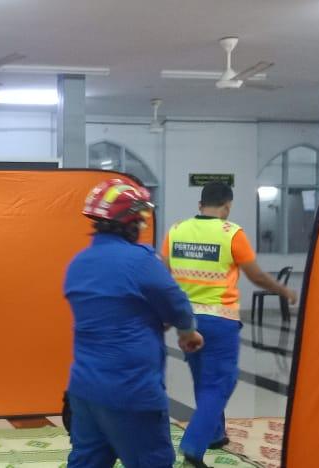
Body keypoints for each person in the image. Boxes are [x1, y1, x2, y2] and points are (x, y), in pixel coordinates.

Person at [64, 179, 204, 467]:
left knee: (87, 462)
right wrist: (187, 332)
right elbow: (175, 302)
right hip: (131, 389)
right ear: (132, 222)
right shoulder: (140, 260)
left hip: (84, 389)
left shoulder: (78, 263)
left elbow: (112, 311)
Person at [163, 182, 298, 467]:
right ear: (227, 206)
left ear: (200, 205)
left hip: (187, 321)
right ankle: (194, 444)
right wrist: (284, 291)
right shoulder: (231, 233)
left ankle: (214, 433)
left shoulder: (175, 231)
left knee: (203, 380)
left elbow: (163, 273)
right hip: (220, 320)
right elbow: (256, 276)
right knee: (221, 382)